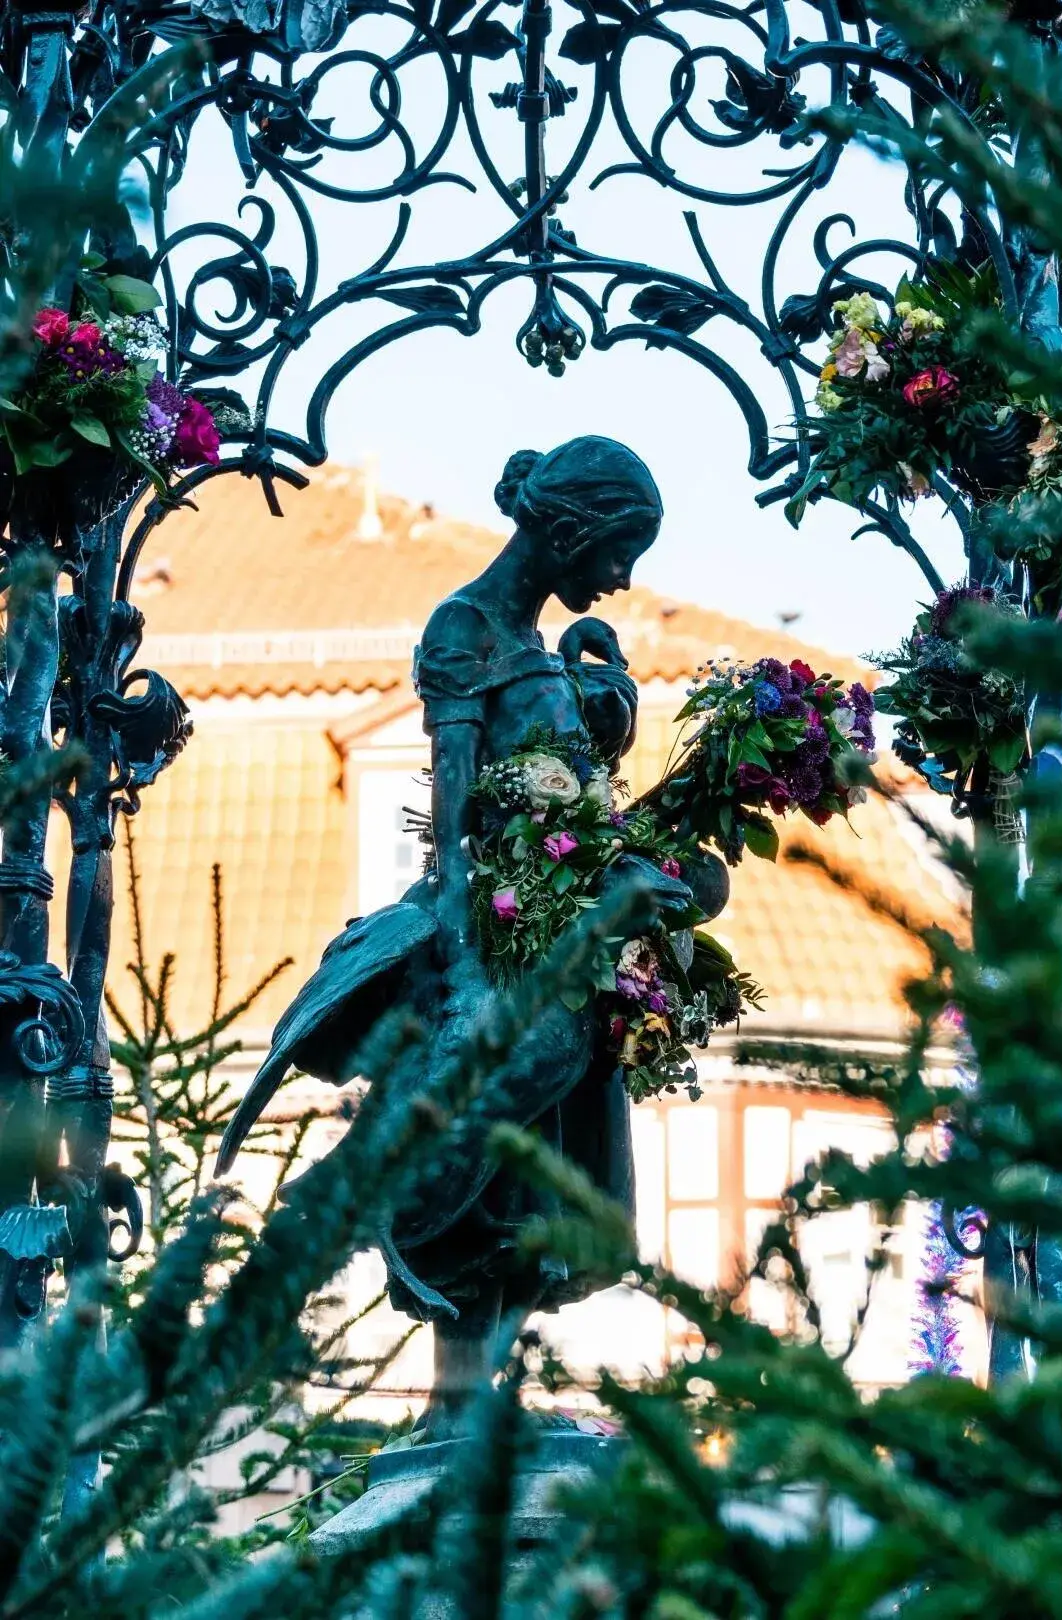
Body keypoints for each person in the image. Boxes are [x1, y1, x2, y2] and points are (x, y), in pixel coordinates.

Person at [216, 436, 728, 1437]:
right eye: (618, 552)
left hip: (560, 939)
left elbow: (570, 810)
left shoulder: (537, 643)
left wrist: (602, 714)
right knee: (478, 1158)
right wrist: (461, 961)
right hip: (498, 938)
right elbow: (454, 815)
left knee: (536, 1191)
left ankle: (478, 1405)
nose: (622, 578)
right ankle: (435, 1362)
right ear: (570, 529)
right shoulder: (466, 627)